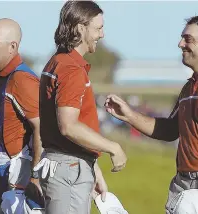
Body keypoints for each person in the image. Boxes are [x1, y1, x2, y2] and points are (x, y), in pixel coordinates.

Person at [105, 15, 198, 214]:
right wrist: (130, 115)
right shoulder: (188, 88)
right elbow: (169, 130)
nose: (180, 44)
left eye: (188, 39)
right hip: (184, 183)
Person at [36, 1, 127, 213]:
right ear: (80, 28)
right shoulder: (71, 69)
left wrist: (92, 167)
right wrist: (113, 147)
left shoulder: (57, 62)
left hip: (67, 165)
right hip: (68, 169)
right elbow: (68, 126)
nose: (102, 35)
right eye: (98, 28)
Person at [0, 18, 42, 213]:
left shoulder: (22, 79)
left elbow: (42, 128)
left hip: (11, 187)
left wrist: (35, 177)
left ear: (12, 46)